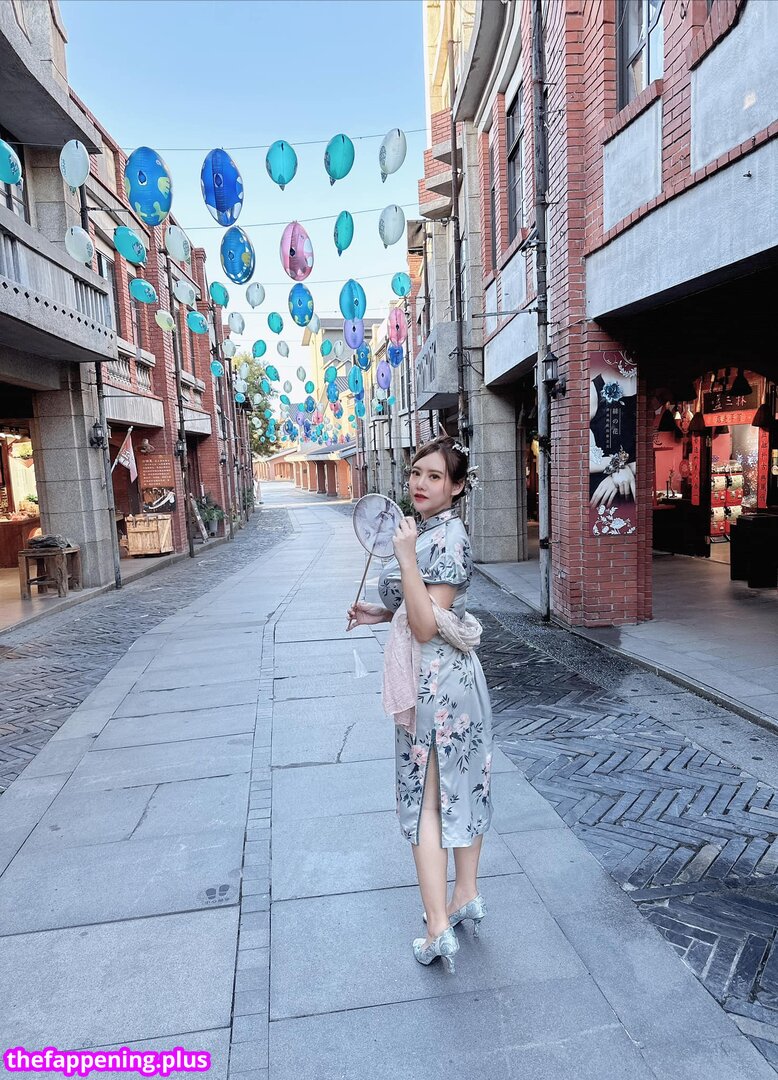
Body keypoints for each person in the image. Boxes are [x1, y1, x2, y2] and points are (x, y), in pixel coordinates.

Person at [346, 436, 494, 975]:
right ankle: (465, 894)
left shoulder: (444, 537)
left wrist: (406, 557)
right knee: (463, 787)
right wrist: (378, 613)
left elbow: (429, 624)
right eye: (415, 473)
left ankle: (436, 927)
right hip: (447, 680)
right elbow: (421, 609)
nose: (420, 483)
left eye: (434, 476)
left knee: (427, 803)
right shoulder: (428, 529)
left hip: (436, 687)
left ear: (457, 486)